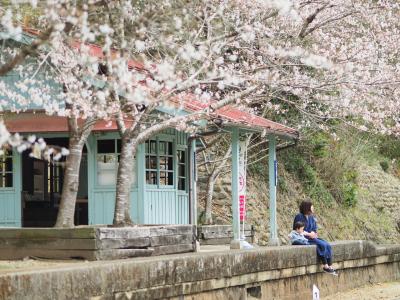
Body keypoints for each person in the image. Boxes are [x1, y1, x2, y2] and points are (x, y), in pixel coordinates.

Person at [293, 200, 337, 275]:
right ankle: (325, 265)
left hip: (311, 237)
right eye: (311, 207)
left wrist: (314, 233)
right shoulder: (299, 216)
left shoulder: (311, 217)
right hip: (303, 238)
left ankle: (330, 265)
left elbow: (314, 228)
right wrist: (309, 234)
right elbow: (297, 230)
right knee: (321, 245)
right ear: (307, 207)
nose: (313, 208)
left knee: (327, 245)